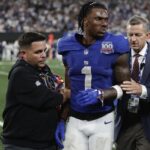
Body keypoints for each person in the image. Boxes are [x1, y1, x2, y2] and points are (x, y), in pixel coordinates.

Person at [55, 1, 131, 150]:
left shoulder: (116, 44)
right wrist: (62, 119)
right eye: (98, 19)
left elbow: (126, 86)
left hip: (103, 119)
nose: (104, 24)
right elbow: (69, 88)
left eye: (106, 19)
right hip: (75, 118)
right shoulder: (66, 45)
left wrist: (102, 93)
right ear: (85, 21)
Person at [1, 32, 70, 150]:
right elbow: (47, 98)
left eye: (44, 50)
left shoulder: (43, 68)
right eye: (38, 52)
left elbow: (54, 88)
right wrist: (66, 94)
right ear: (23, 54)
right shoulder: (21, 73)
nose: (43, 55)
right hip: (22, 144)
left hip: (44, 142)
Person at [116, 15, 150, 150]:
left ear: (147, 35)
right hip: (125, 122)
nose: (133, 39)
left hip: (147, 120)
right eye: (130, 35)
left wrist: (142, 90)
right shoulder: (119, 56)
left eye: (138, 35)